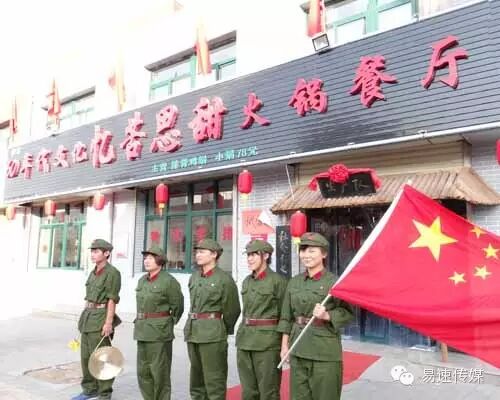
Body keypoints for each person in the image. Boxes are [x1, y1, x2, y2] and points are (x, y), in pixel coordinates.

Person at [278, 232, 354, 400]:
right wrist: (284, 347)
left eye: (312, 251)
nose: (306, 255)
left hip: (324, 352)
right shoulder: (294, 282)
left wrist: (327, 315)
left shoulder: (334, 283)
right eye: (303, 250)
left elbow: (348, 313)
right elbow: (286, 317)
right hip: (298, 348)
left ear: (324, 254)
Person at [184, 238, 241, 400]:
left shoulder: (224, 279)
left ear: (214, 254)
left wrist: (222, 329)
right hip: (193, 332)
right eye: (197, 251)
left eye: (202, 252)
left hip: (213, 335)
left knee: (214, 380)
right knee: (196, 380)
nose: (198, 255)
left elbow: (233, 309)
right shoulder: (194, 277)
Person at [236, 239, 288, 400]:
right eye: (248, 255)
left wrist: (284, 345)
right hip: (245, 340)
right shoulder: (247, 281)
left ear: (265, 256)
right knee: (248, 391)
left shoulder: (278, 281)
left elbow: (285, 315)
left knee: (268, 392)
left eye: (254, 255)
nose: (250, 259)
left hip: (267, 343)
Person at [72, 239, 121, 400]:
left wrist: (108, 323)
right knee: (86, 357)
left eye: (96, 251)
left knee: (102, 357)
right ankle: (89, 389)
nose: (92, 254)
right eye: (92, 251)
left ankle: (105, 393)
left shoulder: (112, 273)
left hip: (100, 318)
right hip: (88, 317)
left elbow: (112, 299)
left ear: (106, 253)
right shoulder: (94, 272)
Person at [134, 245, 184, 400]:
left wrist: (166, 323)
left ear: (160, 260)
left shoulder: (169, 281)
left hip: (159, 333)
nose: (146, 261)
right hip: (142, 331)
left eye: (150, 258)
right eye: (145, 258)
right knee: (143, 372)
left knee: (159, 372)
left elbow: (178, 306)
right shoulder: (142, 280)